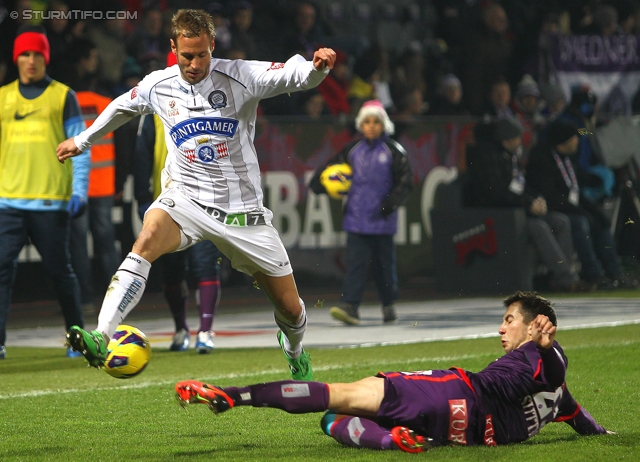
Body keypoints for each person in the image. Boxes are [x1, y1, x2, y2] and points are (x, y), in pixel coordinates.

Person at [57, 9, 336, 380]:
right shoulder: (159, 85)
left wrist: (317, 68)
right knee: (147, 237)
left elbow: (292, 74)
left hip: (243, 214)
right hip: (186, 200)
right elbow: (122, 105)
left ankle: (294, 347)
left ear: (212, 46)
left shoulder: (240, 76)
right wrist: (82, 140)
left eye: (201, 54)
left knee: (291, 310)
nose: (194, 63)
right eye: (186, 55)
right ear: (173, 48)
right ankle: (101, 335)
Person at [175, 291, 611, 453]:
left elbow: (551, 373)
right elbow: (577, 416)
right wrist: (603, 436)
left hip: (453, 391)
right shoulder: (557, 393)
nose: (502, 327)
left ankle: (234, 395)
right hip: (463, 432)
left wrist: (548, 348)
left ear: (536, 325)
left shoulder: (538, 357)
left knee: (338, 395)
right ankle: (390, 438)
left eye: (511, 319)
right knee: (333, 422)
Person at [0, 26, 90, 359]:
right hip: (7, 202)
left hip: (51, 203)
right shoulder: (3, 97)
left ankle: (77, 338)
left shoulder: (63, 96)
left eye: (37, 53)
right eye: (25, 53)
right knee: (1, 273)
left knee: (60, 273)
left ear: (46, 58)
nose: (31, 60)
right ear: (16, 59)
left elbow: (82, 146)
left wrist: (79, 191)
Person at [134, 51, 222, 353]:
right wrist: (143, 199)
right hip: (168, 203)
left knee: (205, 266)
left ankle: (205, 332)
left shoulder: (214, 102)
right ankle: (181, 329)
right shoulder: (157, 107)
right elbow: (142, 157)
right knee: (172, 271)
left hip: (206, 201)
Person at [308, 100, 413, 325]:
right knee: (355, 264)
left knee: (384, 266)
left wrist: (389, 205)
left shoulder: (393, 151)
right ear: (360, 125)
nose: (371, 126)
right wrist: (319, 184)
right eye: (367, 121)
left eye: (376, 121)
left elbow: (405, 182)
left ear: (384, 125)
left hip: (382, 221)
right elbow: (328, 170)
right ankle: (351, 307)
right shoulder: (352, 150)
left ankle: (388, 303)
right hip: (356, 219)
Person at [464, 117, 589, 292]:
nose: (520, 141)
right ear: (506, 140)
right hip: (502, 215)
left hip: (520, 210)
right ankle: (567, 279)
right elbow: (497, 194)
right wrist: (528, 204)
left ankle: (558, 278)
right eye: (517, 137)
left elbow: (523, 186)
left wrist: (537, 199)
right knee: (539, 227)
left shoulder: (510, 157)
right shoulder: (489, 160)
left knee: (560, 221)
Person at [526, 120, 637, 289]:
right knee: (580, 222)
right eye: (573, 138)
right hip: (553, 209)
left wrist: (595, 209)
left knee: (601, 220)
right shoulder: (542, 160)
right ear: (563, 141)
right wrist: (583, 212)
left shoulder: (568, 159)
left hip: (569, 207)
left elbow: (576, 188)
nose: (577, 141)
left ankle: (614, 272)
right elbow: (552, 197)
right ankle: (593, 273)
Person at [70, 89, 121, 312]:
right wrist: (120, 180)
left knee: (78, 245)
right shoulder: (105, 102)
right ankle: (117, 297)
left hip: (76, 187)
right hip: (104, 184)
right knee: (107, 243)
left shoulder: (67, 103)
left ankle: (84, 298)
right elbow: (122, 143)